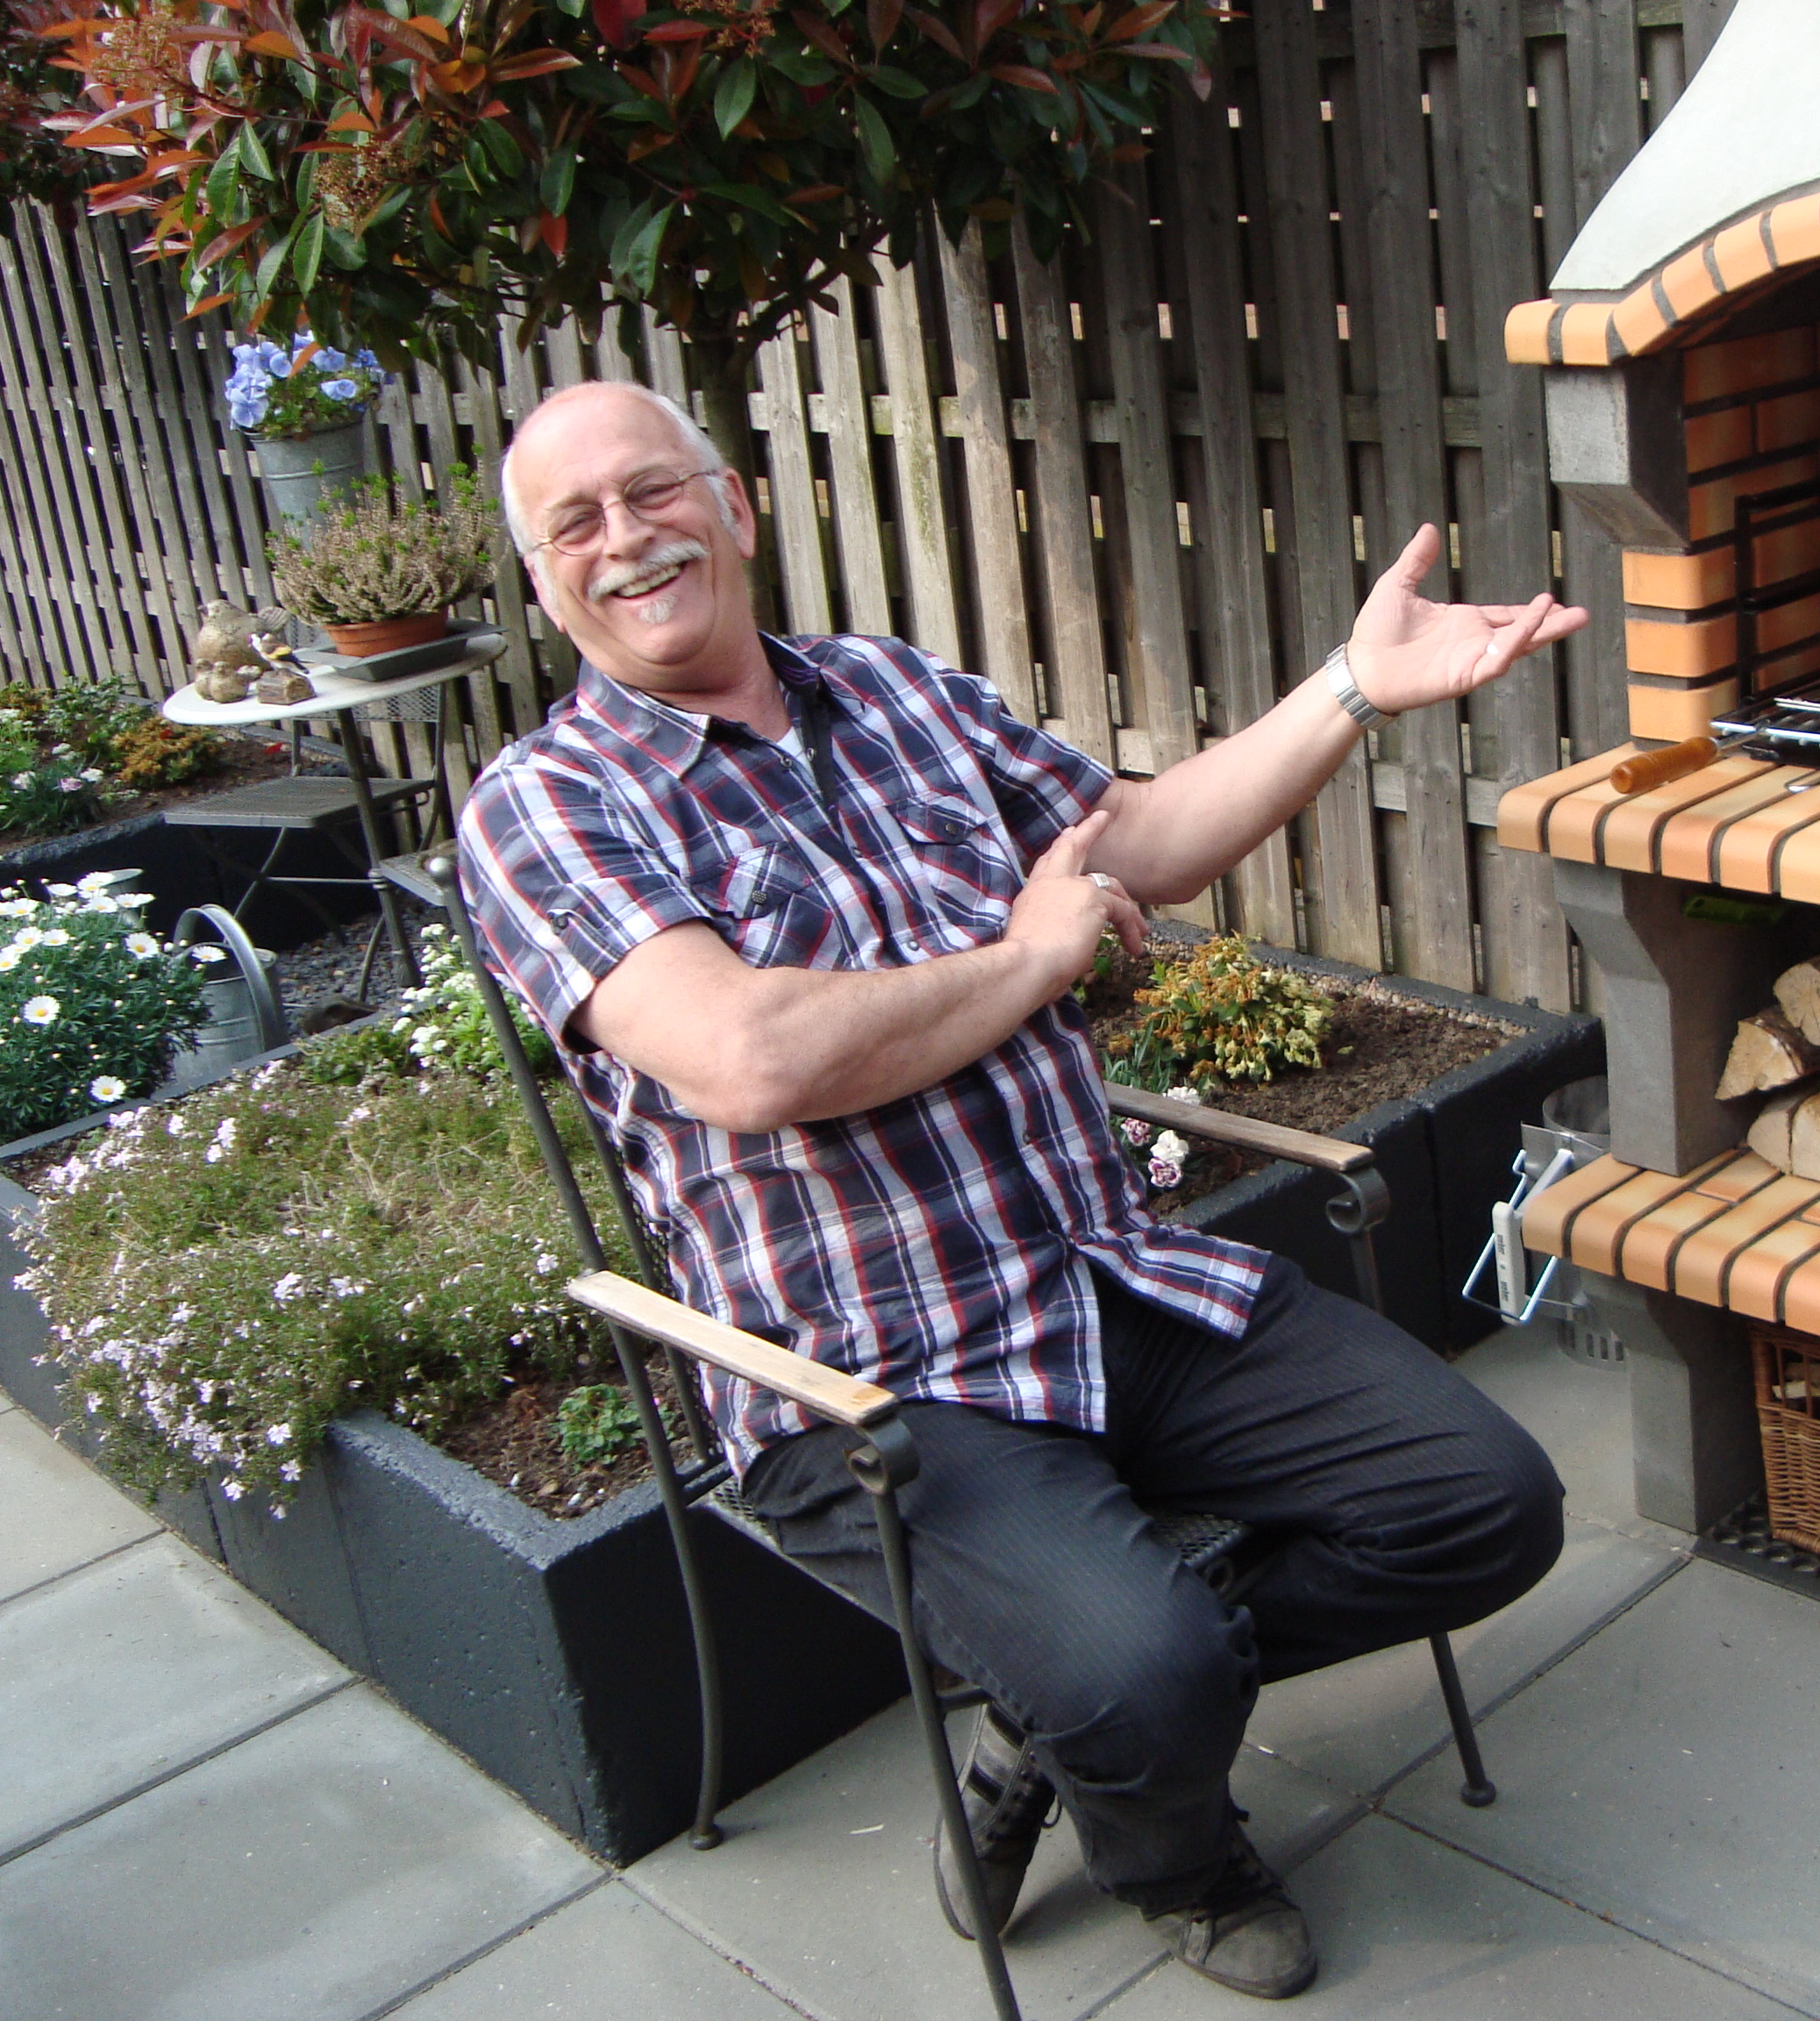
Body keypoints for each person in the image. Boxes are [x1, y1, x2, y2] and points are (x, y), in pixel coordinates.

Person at [460, 380, 1590, 2000]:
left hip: (1103, 1279)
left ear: (735, 505)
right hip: (869, 1382)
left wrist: (1355, 685)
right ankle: (1178, 1857)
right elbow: (750, 1060)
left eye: (654, 492)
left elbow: (1145, 837)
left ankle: (1048, 1745)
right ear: (547, 577)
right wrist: (1031, 957)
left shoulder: (893, 689)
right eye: (577, 523)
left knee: (1486, 1505)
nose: (626, 539)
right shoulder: (551, 805)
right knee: (1146, 1672)